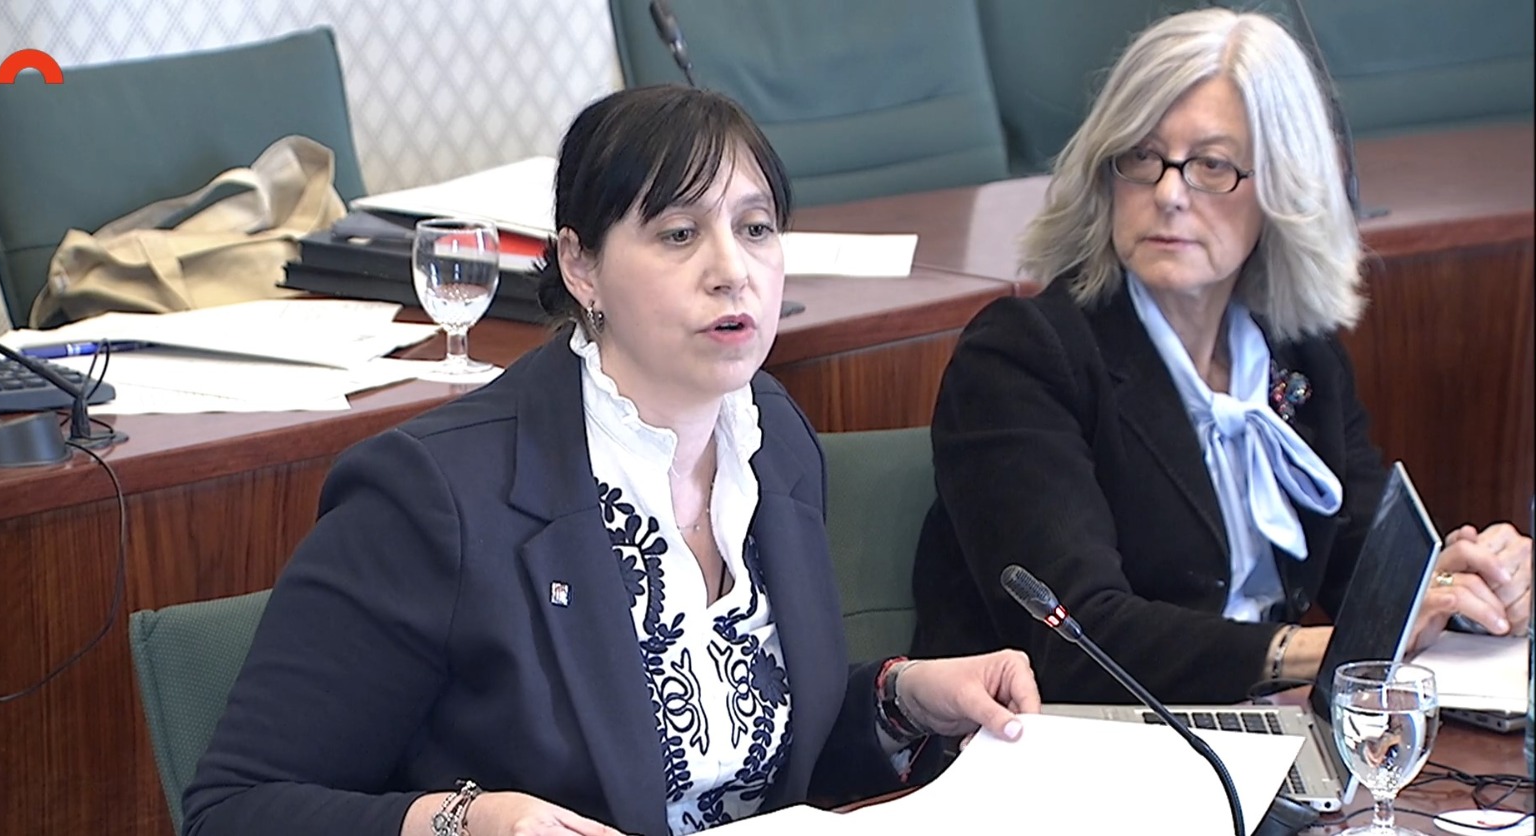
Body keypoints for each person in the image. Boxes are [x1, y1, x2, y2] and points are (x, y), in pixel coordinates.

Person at [183, 85, 1040, 836]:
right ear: (580, 266)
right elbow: (234, 811)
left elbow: (749, 759)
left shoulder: (769, 437)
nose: (731, 270)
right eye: (678, 234)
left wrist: (902, 699)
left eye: (755, 228)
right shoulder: (434, 496)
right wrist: (462, 820)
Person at [909, 9, 1532, 706]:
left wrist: (1459, 584)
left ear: (1282, 192)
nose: (1169, 194)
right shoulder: (1023, 357)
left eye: (1211, 165)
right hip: (1063, 738)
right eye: (1142, 157)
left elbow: (1362, 562)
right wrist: (1326, 650)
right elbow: (1076, 639)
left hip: (1256, 728)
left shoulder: (1299, 356)